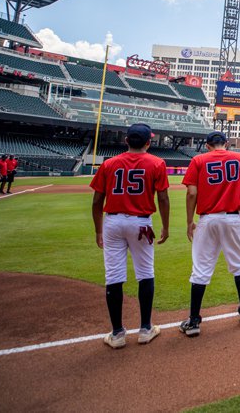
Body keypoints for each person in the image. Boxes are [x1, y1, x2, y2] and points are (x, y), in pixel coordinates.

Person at [90, 123, 170, 348]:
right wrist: (165, 226)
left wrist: (98, 230)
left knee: (114, 276)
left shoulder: (109, 163)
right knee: (145, 273)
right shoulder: (157, 163)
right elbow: (163, 198)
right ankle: (145, 329)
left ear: (125, 141)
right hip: (141, 223)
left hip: (113, 222)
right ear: (148, 142)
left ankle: (117, 334)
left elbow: (97, 201)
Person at [180, 131, 240, 337]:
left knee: (201, 269)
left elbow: (192, 192)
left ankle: (194, 320)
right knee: (239, 264)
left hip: (208, 218)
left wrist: (189, 221)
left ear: (207, 145)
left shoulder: (198, 159)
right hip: (234, 217)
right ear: (226, 144)